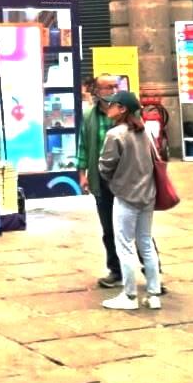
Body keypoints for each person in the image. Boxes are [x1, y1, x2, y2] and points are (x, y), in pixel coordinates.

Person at [77, 75, 165, 291]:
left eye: (115, 86)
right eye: (108, 87)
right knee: (109, 229)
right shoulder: (89, 116)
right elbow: (83, 145)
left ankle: (151, 275)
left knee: (141, 234)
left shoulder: (128, 116)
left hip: (129, 180)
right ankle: (116, 271)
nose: (113, 91)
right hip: (103, 181)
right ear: (97, 90)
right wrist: (83, 173)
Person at [97, 91, 163, 310]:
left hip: (126, 195)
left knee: (124, 245)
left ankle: (129, 295)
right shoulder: (144, 131)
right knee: (145, 243)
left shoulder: (115, 134)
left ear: (122, 109)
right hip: (148, 194)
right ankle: (154, 294)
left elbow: (105, 166)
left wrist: (112, 181)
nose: (109, 107)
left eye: (113, 105)